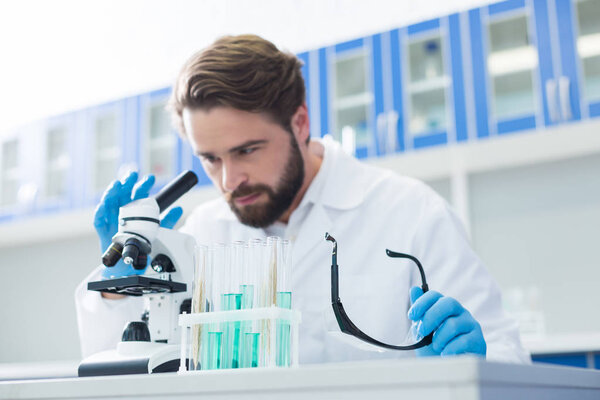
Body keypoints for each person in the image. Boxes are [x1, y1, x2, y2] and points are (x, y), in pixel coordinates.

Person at [76, 34, 530, 364]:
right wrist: (118, 286)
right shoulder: (203, 234)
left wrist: (479, 360)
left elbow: (510, 360)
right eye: (211, 159)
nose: (230, 179)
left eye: (247, 150)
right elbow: (125, 369)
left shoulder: (410, 212)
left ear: (299, 122)